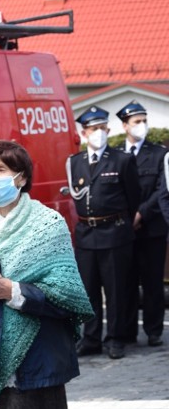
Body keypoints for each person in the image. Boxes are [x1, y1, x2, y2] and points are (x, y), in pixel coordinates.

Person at [0, 140, 94, 409]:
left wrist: (13, 291)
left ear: (21, 176)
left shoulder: (47, 224)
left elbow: (67, 295)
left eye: (0, 169)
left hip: (34, 358)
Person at [66, 105, 140, 359]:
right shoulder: (74, 162)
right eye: (93, 129)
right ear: (84, 133)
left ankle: (116, 338)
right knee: (88, 290)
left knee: (116, 290)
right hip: (87, 233)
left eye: (102, 128)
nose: (99, 133)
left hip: (114, 232)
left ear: (108, 130)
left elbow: (134, 197)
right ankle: (91, 337)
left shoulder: (121, 160)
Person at [115, 100, 167, 347]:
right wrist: (127, 216)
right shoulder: (115, 155)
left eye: (144, 120)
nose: (142, 125)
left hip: (152, 227)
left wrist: (141, 213)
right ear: (125, 126)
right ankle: (127, 332)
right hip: (123, 229)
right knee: (125, 282)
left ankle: (154, 330)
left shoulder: (159, 154)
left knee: (152, 281)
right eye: (137, 121)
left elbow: (161, 189)